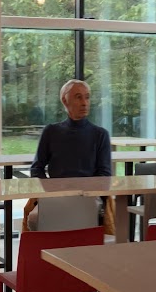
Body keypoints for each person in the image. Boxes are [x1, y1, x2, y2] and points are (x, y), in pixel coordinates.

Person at [25, 78, 112, 231]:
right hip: (55, 196)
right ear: (65, 101)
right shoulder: (51, 132)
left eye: (87, 97)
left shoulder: (100, 135)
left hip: (87, 198)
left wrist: (83, 192)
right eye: (78, 97)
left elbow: (104, 175)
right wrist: (50, 192)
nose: (84, 103)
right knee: (34, 218)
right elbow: (36, 168)